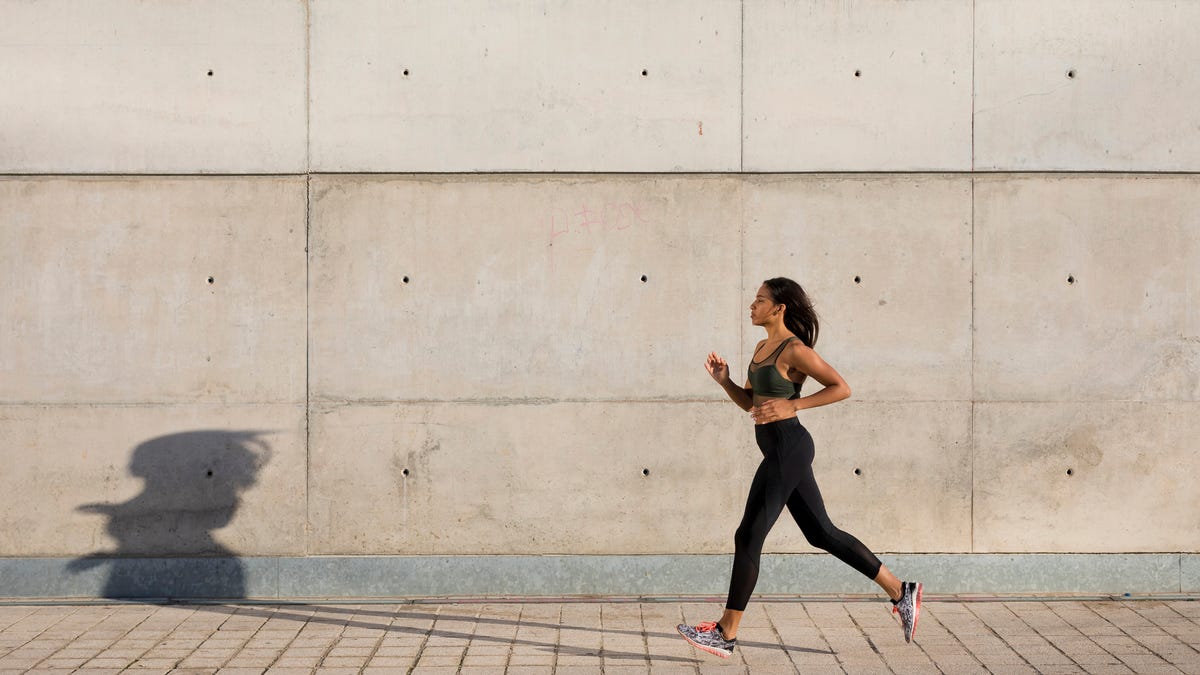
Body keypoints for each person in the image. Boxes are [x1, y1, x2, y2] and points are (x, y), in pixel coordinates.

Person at [676, 277, 922, 658]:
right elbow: (750, 404)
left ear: (779, 308)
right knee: (821, 532)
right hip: (778, 452)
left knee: (748, 535)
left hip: (789, 448)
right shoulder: (761, 348)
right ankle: (900, 590)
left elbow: (841, 387)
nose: (752, 305)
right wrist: (725, 382)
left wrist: (795, 405)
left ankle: (726, 632)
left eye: (759, 300)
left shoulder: (794, 350)